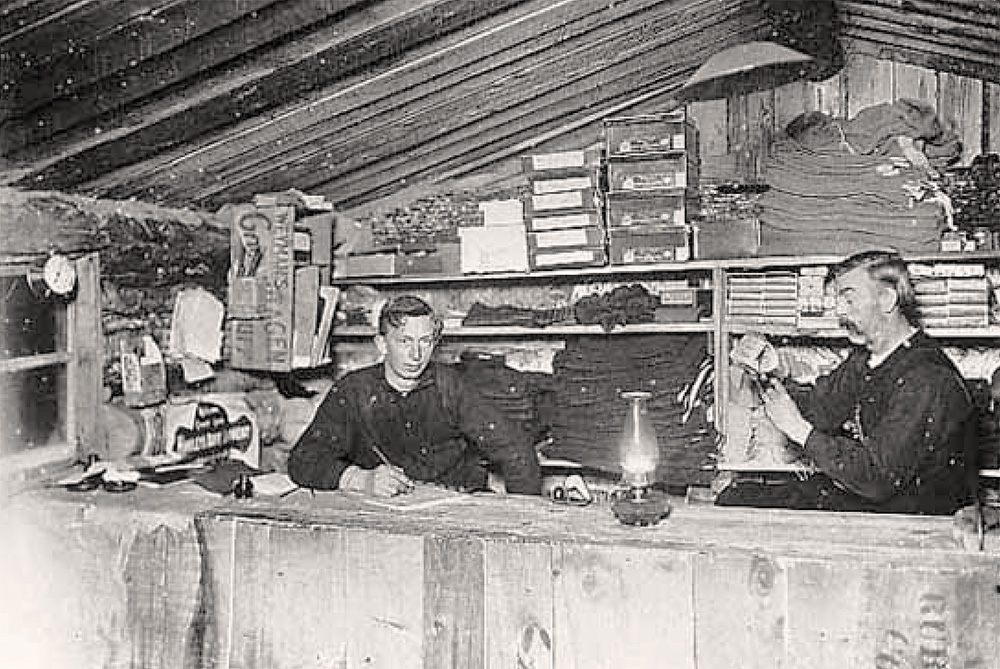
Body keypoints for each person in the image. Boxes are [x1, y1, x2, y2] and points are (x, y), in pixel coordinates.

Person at [717, 250, 977, 514]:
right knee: (736, 496)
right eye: (838, 300)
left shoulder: (927, 378)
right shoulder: (869, 357)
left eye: (849, 300)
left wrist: (798, 429)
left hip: (914, 517)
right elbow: (824, 407)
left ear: (887, 299)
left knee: (746, 508)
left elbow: (877, 477)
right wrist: (770, 369)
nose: (840, 311)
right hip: (878, 498)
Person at [288, 294, 542, 497]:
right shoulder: (354, 391)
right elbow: (303, 460)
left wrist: (524, 517)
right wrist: (358, 479)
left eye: (425, 342)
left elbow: (516, 449)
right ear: (382, 344)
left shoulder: (450, 385)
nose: (416, 355)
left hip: (454, 505)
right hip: (384, 511)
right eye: (405, 341)